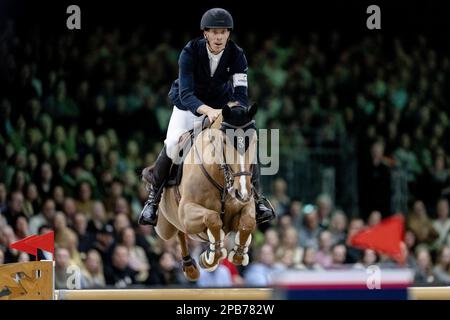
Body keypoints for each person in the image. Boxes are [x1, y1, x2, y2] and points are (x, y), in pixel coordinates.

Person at [138, 8, 275, 226]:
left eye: (223, 32)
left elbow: (240, 93)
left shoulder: (237, 55)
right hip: (186, 106)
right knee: (173, 144)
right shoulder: (190, 52)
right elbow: (186, 93)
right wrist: (207, 111)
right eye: (214, 32)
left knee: (245, 142)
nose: (219, 37)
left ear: (228, 34)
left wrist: (236, 111)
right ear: (206, 34)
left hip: (222, 107)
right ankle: (153, 200)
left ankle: (257, 200)